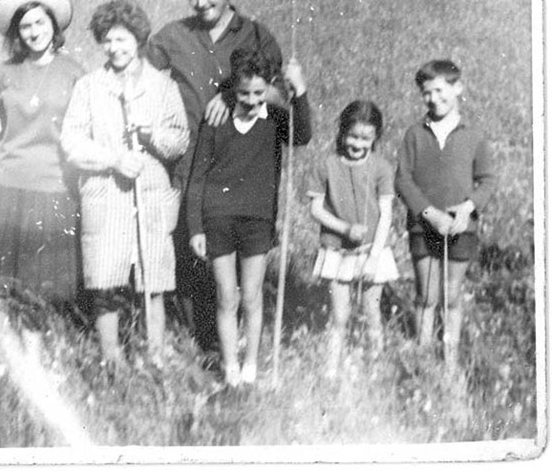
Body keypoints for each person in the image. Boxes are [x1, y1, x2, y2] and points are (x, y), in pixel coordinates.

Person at [149, 0, 286, 348]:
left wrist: (232, 94)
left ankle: (239, 344)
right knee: (192, 253)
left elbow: (281, 97)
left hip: (238, 171)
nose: (201, 2)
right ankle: (204, 344)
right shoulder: (173, 36)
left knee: (238, 269)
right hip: (186, 163)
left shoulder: (257, 36)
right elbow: (140, 72)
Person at [61, 0, 189, 365]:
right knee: (105, 281)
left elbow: (179, 139)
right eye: (108, 41)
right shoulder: (89, 86)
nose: (115, 48)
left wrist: (151, 137)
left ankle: (155, 354)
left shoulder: (163, 87)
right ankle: (110, 358)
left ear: (139, 39)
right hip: (106, 194)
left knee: (154, 282)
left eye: (123, 39)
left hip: (149, 197)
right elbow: (71, 141)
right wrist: (113, 159)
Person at [186, 48, 311, 386]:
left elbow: (303, 136)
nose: (253, 101)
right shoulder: (217, 120)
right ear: (232, 90)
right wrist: (196, 226)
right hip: (218, 217)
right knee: (228, 296)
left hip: (257, 219)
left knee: (252, 295)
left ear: (268, 88)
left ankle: (251, 368)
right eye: (244, 94)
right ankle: (230, 370)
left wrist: (298, 90)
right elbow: (197, 176)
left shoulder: (274, 119)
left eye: (259, 93)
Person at [0, 0, 85, 333]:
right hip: (10, 184)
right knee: (7, 281)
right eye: (26, 26)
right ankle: (9, 345)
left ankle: (49, 346)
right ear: (17, 32)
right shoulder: (3, 74)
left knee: (50, 284)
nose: (34, 32)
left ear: (54, 27)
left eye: (40, 23)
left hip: (55, 185)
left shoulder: (74, 72)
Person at [395, 60, 496, 370]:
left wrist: (467, 208)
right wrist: (429, 214)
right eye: (426, 93)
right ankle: (424, 359)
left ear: (457, 89)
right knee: (426, 295)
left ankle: (449, 362)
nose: (433, 98)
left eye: (440, 90)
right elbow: (403, 179)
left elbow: (488, 180)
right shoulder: (414, 134)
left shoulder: (473, 136)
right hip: (422, 227)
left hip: (461, 229)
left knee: (451, 298)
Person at [306, 100, 399, 377]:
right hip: (337, 251)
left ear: (375, 138)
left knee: (371, 311)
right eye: (353, 136)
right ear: (342, 132)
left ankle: (375, 369)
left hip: (374, 250)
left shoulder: (381, 168)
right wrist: (345, 229)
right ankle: (331, 370)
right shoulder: (327, 165)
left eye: (366, 139)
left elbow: (386, 215)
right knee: (340, 315)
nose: (358, 144)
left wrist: (373, 257)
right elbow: (315, 209)